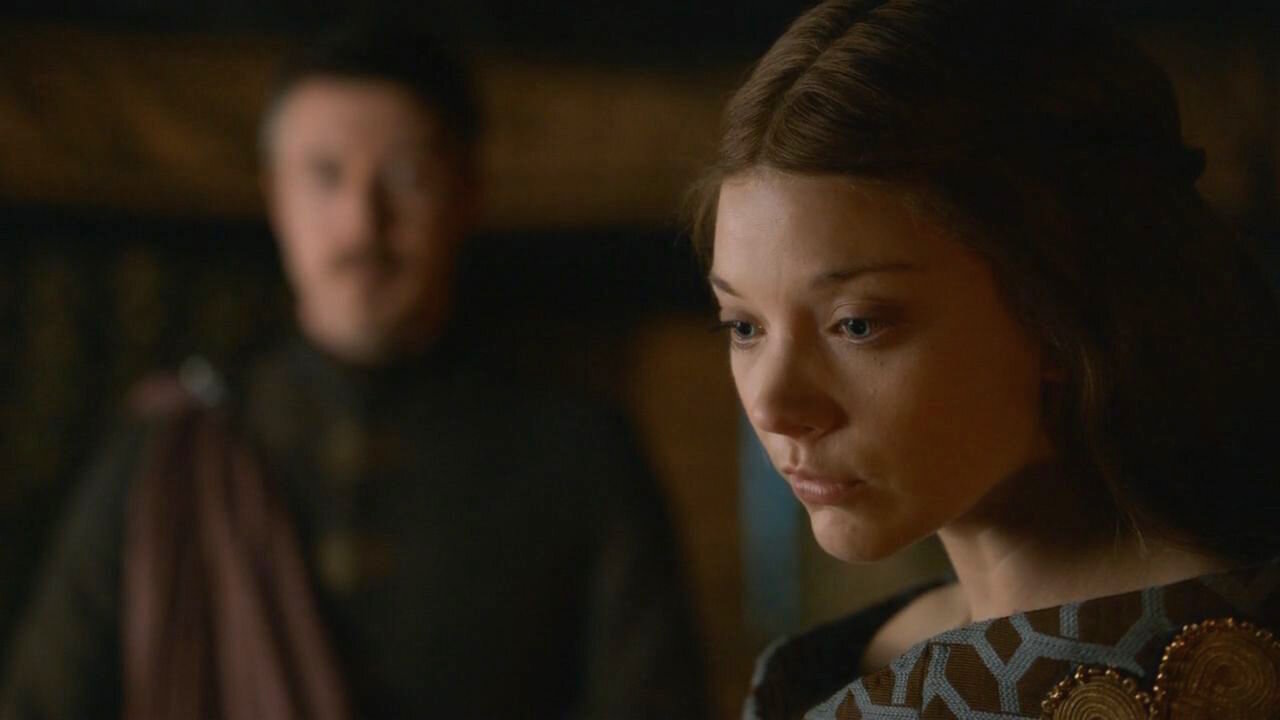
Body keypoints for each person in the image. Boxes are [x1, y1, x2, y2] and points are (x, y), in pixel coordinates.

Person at [2, 23, 707, 720]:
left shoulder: (578, 451)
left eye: (405, 177)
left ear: (468, 194)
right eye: (324, 176)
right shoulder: (172, 450)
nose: (361, 224)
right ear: (276, 197)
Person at [692, 1, 1280, 718]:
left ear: (1059, 312)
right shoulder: (836, 664)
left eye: (857, 324)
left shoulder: (1208, 669)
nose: (774, 406)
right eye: (744, 326)